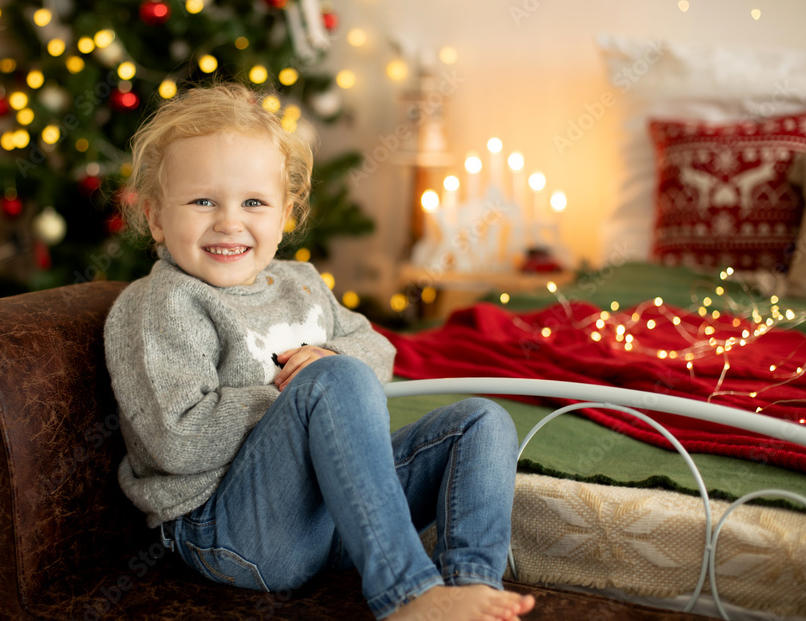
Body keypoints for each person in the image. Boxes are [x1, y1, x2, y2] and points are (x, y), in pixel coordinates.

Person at [104, 83, 534, 621]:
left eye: (254, 202)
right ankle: (406, 595)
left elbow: (376, 349)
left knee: (481, 420)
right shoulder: (163, 302)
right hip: (231, 533)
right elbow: (176, 442)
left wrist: (327, 358)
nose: (230, 222)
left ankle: (471, 586)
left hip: (334, 520)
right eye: (203, 201)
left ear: (286, 214)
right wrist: (299, 394)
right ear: (157, 217)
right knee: (336, 379)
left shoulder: (300, 281)